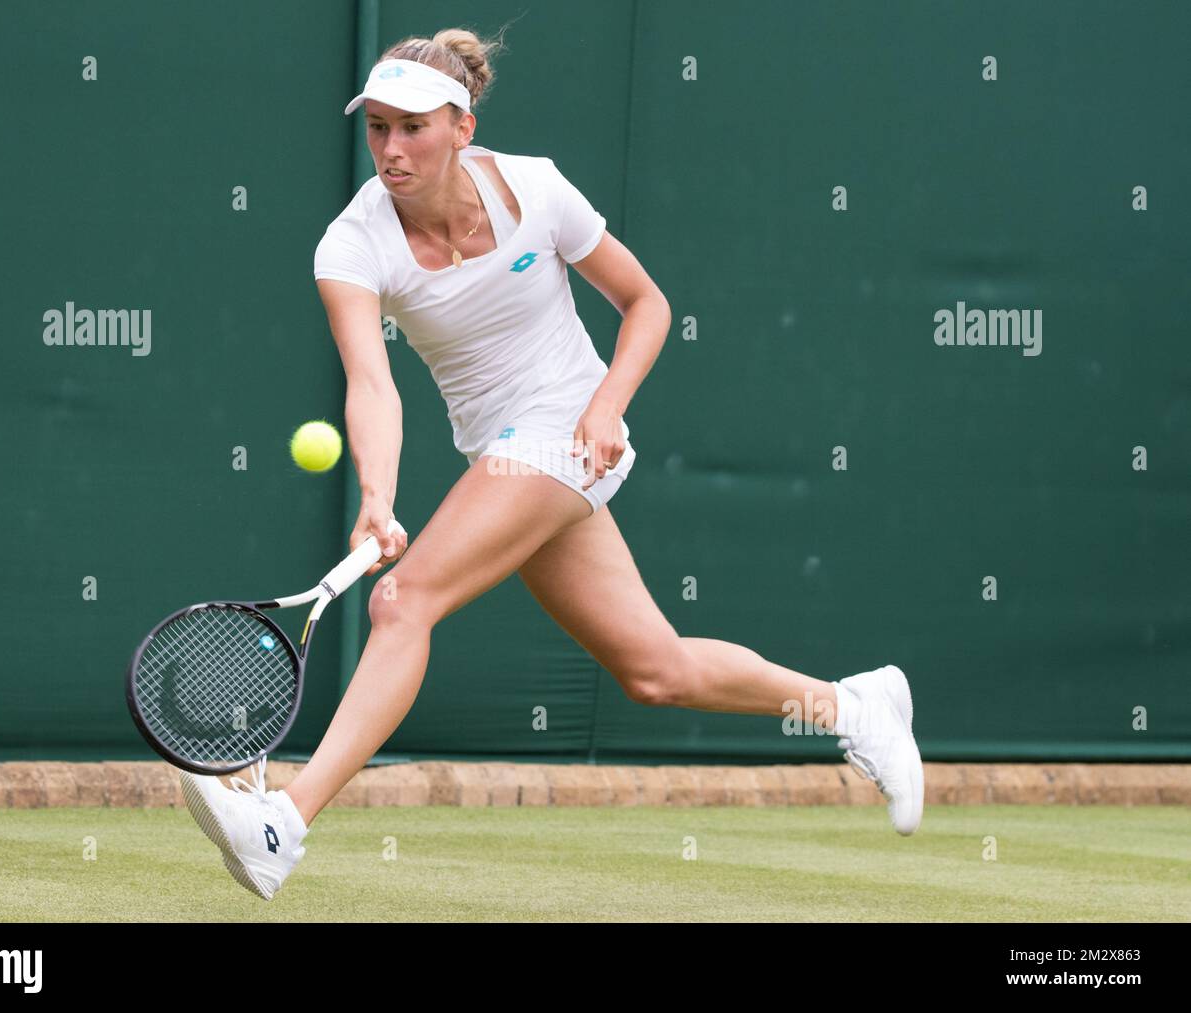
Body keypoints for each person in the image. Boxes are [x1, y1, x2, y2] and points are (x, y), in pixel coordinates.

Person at [178, 28, 924, 901]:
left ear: (462, 125)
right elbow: (372, 388)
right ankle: (856, 705)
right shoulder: (351, 245)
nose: (391, 148)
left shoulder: (536, 187)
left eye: (413, 127)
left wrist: (607, 404)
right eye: (377, 127)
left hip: (570, 433)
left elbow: (646, 303)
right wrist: (377, 497)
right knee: (655, 670)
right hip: (502, 455)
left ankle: (284, 822)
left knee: (403, 598)